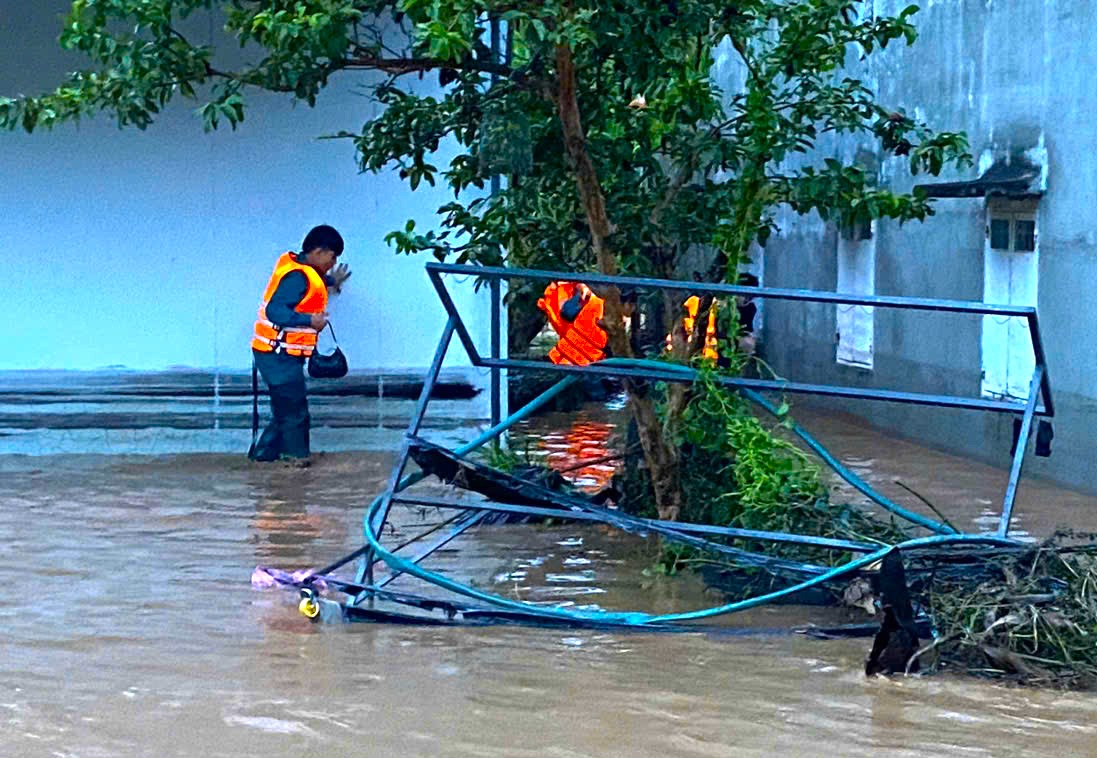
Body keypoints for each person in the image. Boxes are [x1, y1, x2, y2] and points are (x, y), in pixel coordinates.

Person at [248, 225, 351, 467]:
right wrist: (310, 321)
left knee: (285, 409)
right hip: (277, 356)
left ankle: (262, 458)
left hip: (278, 353)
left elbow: (310, 284)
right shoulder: (297, 276)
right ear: (318, 251)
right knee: (295, 412)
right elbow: (275, 310)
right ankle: (297, 461)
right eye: (332, 256)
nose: (333, 261)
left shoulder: (301, 269)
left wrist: (330, 281)